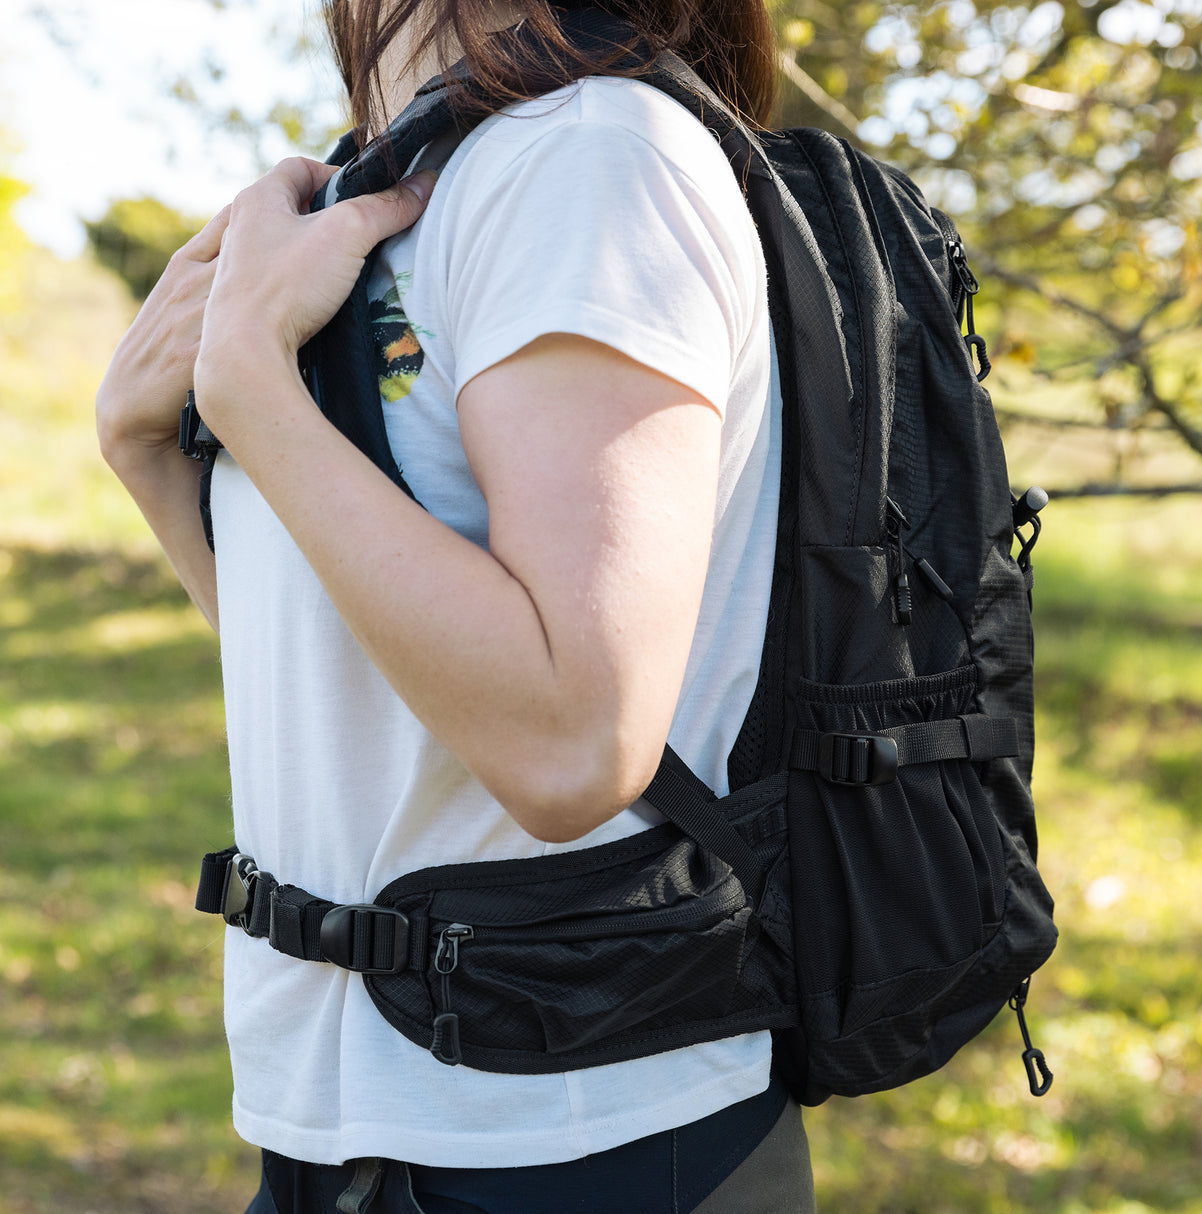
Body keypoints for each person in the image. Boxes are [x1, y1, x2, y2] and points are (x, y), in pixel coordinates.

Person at [96, 1, 814, 1209]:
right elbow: (363, 691)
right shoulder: (405, 176)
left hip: (580, 1138)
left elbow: (570, 738)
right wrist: (147, 449)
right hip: (341, 1129)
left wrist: (253, 390)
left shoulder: (590, 156)